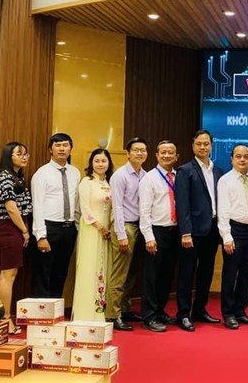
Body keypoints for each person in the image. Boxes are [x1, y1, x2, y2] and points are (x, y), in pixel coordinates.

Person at [175, 130, 223, 332]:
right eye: (199, 144)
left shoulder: (218, 171)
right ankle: (183, 314)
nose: (203, 147)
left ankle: (200, 310)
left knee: (206, 272)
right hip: (192, 232)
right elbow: (182, 204)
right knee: (187, 273)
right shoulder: (185, 170)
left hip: (212, 229)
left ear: (211, 145)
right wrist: (185, 232)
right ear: (193, 146)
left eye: (206, 144)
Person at [217, 144, 248, 330]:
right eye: (238, 156)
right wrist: (226, 236)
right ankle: (228, 313)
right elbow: (222, 210)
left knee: (247, 274)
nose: (242, 159)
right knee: (230, 274)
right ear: (232, 159)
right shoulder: (225, 181)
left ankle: (240, 311)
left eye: (246, 156)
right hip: (234, 231)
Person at [31, 132, 80, 298]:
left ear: (70, 149)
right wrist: (41, 235)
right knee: (43, 272)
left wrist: (76, 226)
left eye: (65, 145)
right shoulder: (42, 173)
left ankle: (55, 307)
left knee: (61, 271)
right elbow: (37, 205)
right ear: (50, 150)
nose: (62, 149)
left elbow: (76, 202)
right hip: (49, 228)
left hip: (69, 229)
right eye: (57, 145)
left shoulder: (75, 172)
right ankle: (42, 309)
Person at [106, 137, 147, 331]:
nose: (140, 153)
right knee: (119, 272)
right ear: (128, 153)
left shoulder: (145, 175)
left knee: (132, 272)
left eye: (143, 150)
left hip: (140, 226)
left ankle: (125, 308)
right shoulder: (120, 176)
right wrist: (121, 234)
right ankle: (112, 315)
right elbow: (117, 207)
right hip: (126, 228)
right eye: (136, 150)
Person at [139, 140, 181, 333]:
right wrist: (149, 237)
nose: (167, 155)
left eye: (170, 152)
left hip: (174, 231)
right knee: (152, 276)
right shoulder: (149, 178)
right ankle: (149, 316)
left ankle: (160, 310)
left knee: (167, 275)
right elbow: (144, 211)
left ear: (176, 156)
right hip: (156, 232)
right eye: (163, 152)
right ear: (156, 155)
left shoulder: (179, 176)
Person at [0, 142, 32, 334]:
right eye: (20, 154)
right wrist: (24, 230)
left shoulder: (17, 176)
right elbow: (11, 208)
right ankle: (5, 319)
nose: (24, 157)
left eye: (26, 154)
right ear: (10, 157)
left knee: (12, 273)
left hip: (15, 227)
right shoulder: (5, 178)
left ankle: (5, 318)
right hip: (8, 228)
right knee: (7, 274)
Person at [72, 149, 114, 321]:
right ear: (91, 163)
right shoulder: (87, 182)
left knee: (103, 266)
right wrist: (100, 227)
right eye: (96, 161)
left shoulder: (110, 182)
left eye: (103, 161)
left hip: (107, 230)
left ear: (109, 163)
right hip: (91, 228)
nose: (100, 164)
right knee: (89, 267)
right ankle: (85, 312)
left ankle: (101, 310)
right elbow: (85, 209)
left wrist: (109, 226)